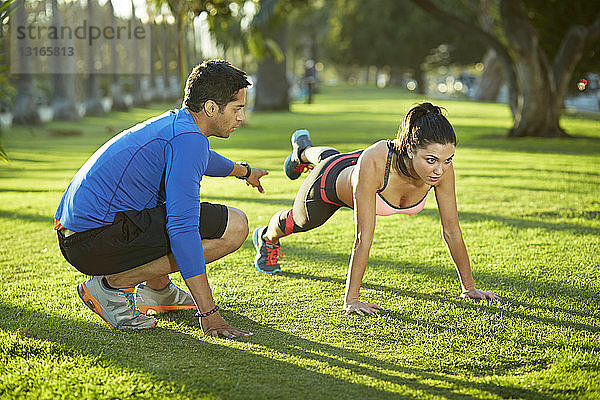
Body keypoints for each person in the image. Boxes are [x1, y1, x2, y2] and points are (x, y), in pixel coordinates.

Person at [55, 60, 268, 337]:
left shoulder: (179, 126)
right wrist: (209, 313)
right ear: (212, 108)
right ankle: (111, 287)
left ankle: (159, 291)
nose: (241, 117)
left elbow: (204, 159)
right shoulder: (189, 140)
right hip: (91, 241)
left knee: (159, 202)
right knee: (235, 225)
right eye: (237, 108)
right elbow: (182, 228)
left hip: (79, 236)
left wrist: (244, 171)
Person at [252, 102, 499, 315]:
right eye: (431, 160)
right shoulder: (376, 161)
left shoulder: (441, 169)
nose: (440, 169)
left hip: (358, 167)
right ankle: (266, 236)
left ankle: (303, 150)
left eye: (448, 160)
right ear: (411, 149)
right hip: (330, 183)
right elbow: (363, 238)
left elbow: (451, 230)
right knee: (299, 221)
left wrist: (469, 287)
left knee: (335, 155)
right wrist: (352, 299)